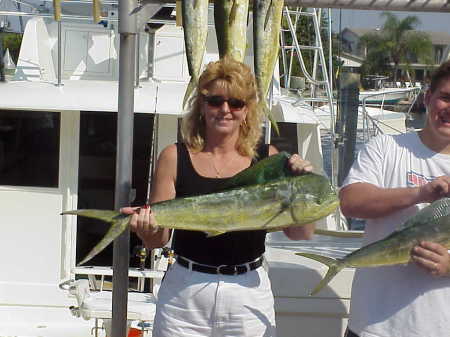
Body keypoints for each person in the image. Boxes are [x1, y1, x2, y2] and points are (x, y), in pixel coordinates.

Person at [121, 56, 315, 337]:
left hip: (247, 292)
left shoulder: (268, 160)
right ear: (201, 105)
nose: (225, 109)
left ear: (247, 110)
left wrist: (301, 185)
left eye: (235, 102)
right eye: (215, 101)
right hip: (185, 294)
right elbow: (159, 239)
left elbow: (301, 233)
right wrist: (146, 230)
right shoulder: (174, 157)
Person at [340, 60, 450, 337]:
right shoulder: (387, 147)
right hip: (372, 327)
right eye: (446, 98)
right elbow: (350, 201)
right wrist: (420, 193)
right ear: (428, 98)